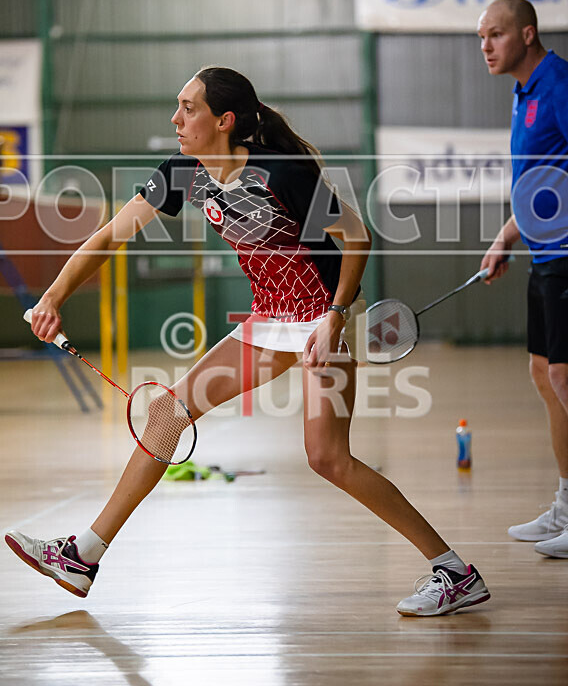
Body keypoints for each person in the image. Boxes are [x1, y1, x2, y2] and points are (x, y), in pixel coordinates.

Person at [5, 67, 490, 614]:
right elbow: (108, 236)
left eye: (188, 108)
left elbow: (356, 237)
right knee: (167, 415)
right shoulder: (184, 173)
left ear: (224, 120)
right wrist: (52, 297)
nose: (176, 118)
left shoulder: (279, 172)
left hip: (322, 316)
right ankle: (84, 555)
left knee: (329, 458)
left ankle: (454, 572)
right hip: (268, 318)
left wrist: (335, 315)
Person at [478, 0, 568, 558]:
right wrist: (506, 236)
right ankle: (566, 502)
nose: (485, 47)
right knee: (544, 374)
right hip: (544, 256)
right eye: (480, 37)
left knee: (564, 376)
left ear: (527, 34)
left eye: (495, 35)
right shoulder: (523, 93)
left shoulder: (557, 83)